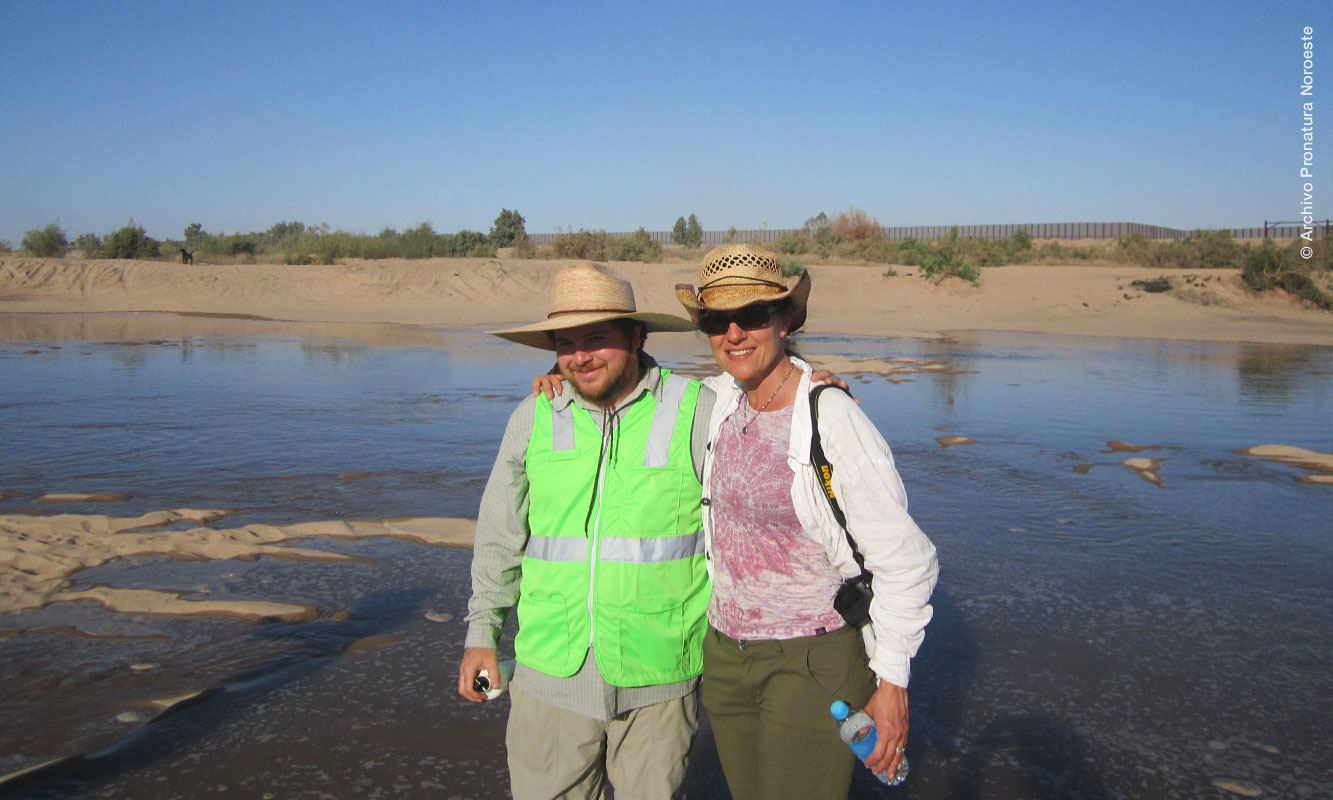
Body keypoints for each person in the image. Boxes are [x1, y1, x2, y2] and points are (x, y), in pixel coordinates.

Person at [674, 244, 938, 800]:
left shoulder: (831, 416)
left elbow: (907, 561)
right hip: (724, 656)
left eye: (751, 315)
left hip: (812, 661)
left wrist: (893, 682)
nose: (734, 333)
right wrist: (560, 371)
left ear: (785, 320)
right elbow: (629, 383)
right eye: (717, 321)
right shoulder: (717, 400)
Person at [458, 261, 715, 800]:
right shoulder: (534, 415)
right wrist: (482, 633)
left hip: (660, 681)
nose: (581, 357)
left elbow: (770, 420)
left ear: (636, 335)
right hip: (548, 677)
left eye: (597, 339)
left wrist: (815, 388)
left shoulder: (698, 410)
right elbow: (500, 536)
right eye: (566, 344)